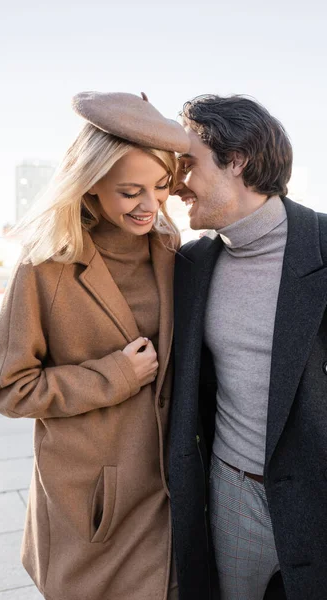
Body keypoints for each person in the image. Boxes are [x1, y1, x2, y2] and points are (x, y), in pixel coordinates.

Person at [0, 91, 190, 600]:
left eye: (161, 186)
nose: (150, 205)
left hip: (166, 487)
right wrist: (114, 376)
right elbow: (8, 389)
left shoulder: (169, 249)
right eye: (131, 192)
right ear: (91, 184)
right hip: (93, 500)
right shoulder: (44, 266)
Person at [169, 94, 327, 600]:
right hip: (231, 496)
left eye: (187, 164)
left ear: (236, 160)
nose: (174, 185)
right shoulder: (192, 264)